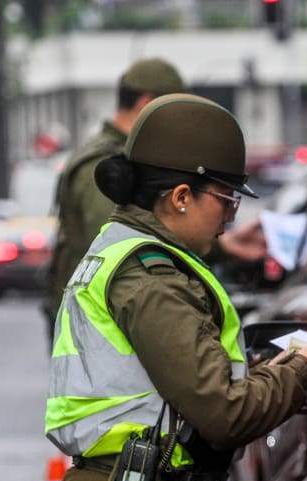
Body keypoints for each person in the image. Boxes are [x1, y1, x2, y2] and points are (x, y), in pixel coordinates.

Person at [43, 93, 307, 481]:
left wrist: (268, 372)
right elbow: (223, 414)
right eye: (226, 201)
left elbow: (180, 387)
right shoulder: (151, 278)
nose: (230, 220)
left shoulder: (126, 253)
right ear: (181, 197)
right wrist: (304, 369)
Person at [42, 57, 188, 342]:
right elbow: (119, 253)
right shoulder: (107, 166)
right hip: (102, 335)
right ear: (146, 103)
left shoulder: (131, 158)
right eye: (176, 109)